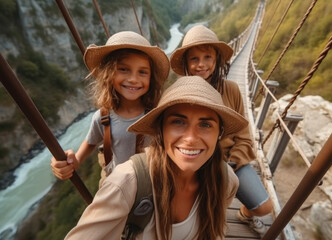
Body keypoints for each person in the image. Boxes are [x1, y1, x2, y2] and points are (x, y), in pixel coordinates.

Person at [64, 76, 247, 240]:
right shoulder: (128, 182)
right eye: (178, 122)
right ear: (160, 131)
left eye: (206, 124)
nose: (191, 138)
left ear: (219, 134)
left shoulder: (226, 180)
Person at [170, 25, 272, 236]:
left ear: (216, 59)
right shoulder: (180, 94)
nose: (201, 65)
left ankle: (244, 214)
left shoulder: (232, 90)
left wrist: (232, 163)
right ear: (187, 63)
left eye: (207, 57)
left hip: (230, 162)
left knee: (264, 208)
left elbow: (243, 134)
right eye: (194, 59)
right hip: (193, 162)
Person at [51, 31, 170, 186]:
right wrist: (73, 161)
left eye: (142, 72)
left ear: (151, 78)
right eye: (123, 69)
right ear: (108, 73)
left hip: (152, 185)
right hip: (119, 186)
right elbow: (90, 143)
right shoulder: (103, 118)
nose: (133, 79)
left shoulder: (158, 113)